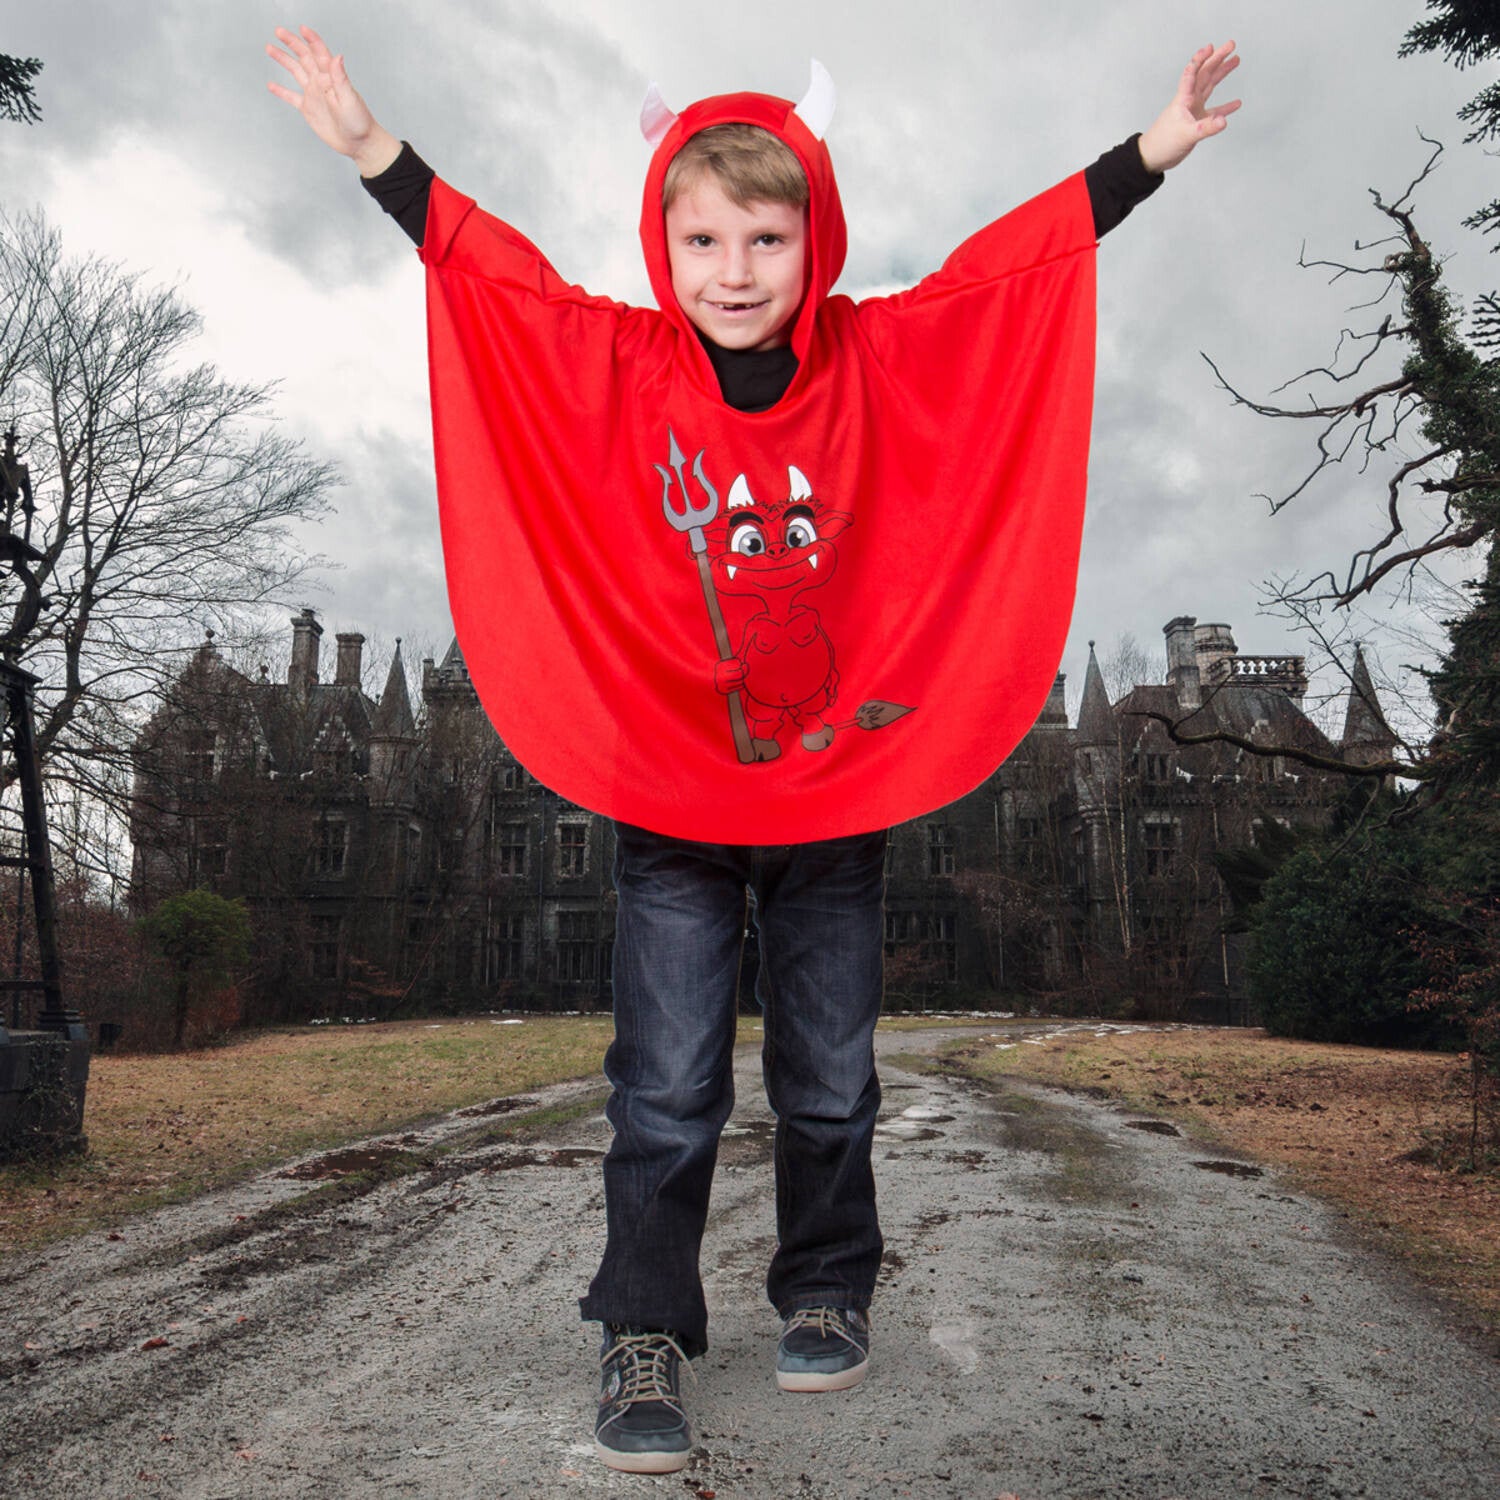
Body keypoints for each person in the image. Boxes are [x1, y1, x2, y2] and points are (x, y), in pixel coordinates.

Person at [267, 24, 1240, 1475]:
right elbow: (501, 283)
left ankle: (828, 1288)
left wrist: (1145, 156)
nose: (735, 270)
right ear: (665, 243)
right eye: (704, 238)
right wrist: (371, 151)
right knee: (665, 1085)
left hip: (831, 799)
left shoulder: (873, 357)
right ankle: (642, 1325)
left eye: (767, 237)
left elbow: (1003, 280)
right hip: (672, 795)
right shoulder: (622, 362)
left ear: (814, 236)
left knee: (830, 1076)